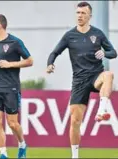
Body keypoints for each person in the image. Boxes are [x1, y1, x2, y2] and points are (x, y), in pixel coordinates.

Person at [46, 2, 117, 159]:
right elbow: (55, 52)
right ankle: (75, 156)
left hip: (96, 76)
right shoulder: (69, 36)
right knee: (75, 121)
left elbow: (114, 52)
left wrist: (104, 53)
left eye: (83, 13)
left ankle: (102, 110)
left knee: (109, 75)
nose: (80, 15)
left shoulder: (97, 34)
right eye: (78, 12)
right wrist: (50, 64)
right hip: (79, 80)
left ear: (89, 16)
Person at [0, 14, 33, 159]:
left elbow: (29, 61)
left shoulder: (15, 42)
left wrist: (11, 64)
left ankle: (22, 144)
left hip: (11, 88)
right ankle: (3, 153)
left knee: (12, 123)